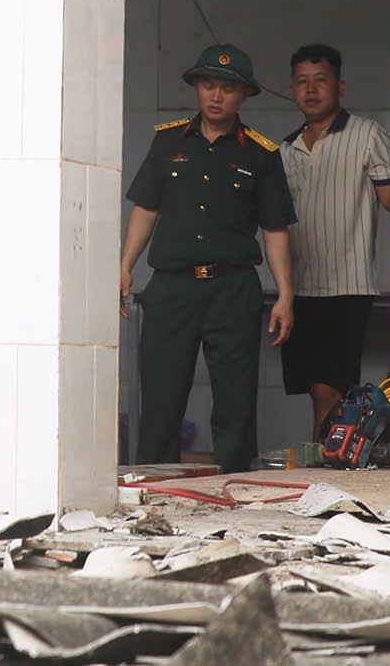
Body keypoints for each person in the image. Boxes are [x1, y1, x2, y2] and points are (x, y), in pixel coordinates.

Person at [119, 44, 295, 474]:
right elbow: (146, 208)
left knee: (235, 400)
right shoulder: (168, 142)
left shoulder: (261, 153)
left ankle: (233, 483)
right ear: (196, 88)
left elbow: (275, 229)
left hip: (232, 288)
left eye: (228, 89)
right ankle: (155, 484)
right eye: (208, 85)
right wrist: (124, 265)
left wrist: (286, 294)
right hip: (172, 287)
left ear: (245, 95)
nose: (216, 96)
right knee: (161, 396)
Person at [280, 43, 390, 435]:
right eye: (302, 82)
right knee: (317, 390)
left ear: (340, 87)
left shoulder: (367, 135)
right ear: (292, 89)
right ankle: (332, 457)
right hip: (299, 289)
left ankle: (327, 462)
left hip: (347, 286)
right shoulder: (284, 150)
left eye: (321, 80)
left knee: (328, 391)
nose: (311, 90)